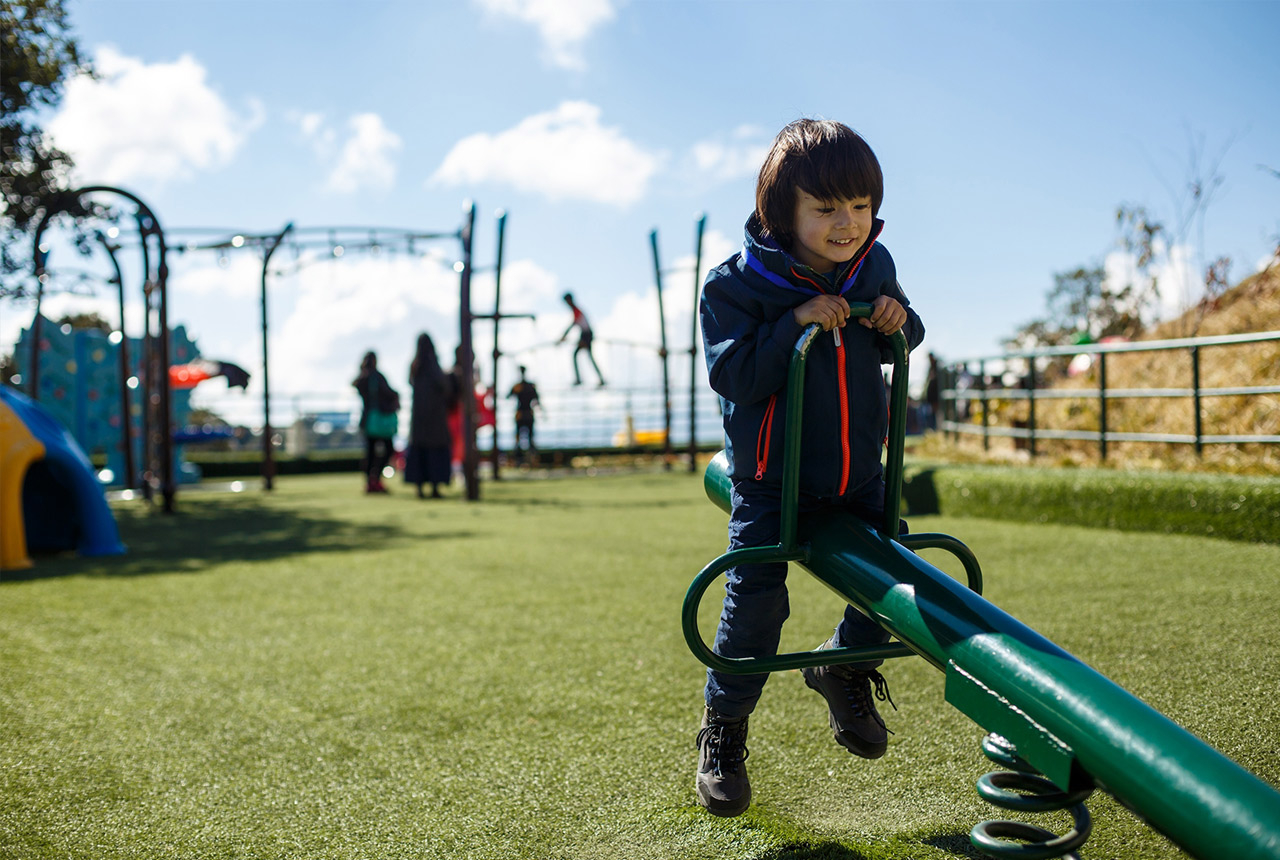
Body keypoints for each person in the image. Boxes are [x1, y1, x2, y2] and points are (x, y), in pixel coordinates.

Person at [695, 119, 925, 817]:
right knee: (757, 601)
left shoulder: (872, 266)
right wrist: (793, 322)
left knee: (896, 572)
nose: (846, 224)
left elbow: (908, 337)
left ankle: (843, 664)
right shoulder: (736, 285)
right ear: (781, 212)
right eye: (826, 209)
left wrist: (895, 319)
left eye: (859, 207)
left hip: (859, 472)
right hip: (771, 479)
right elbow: (732, 373)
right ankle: (724, 730)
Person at [404, 333, 454, 498]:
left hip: (418, 420)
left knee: (420, 453)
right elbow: (444, 386)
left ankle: (419, 488)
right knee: (434, 454)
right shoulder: (433, 365)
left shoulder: (414, 366)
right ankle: (435, 487)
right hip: (435, 420)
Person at [353, 351, 399, 494]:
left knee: (370, 453)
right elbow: (390, 393)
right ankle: (375, 479)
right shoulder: (376, 377)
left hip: (368, 421)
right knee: (387, 450)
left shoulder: (363, 378)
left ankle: (370, 481)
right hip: (379, 421)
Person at [557, 292, 606, 387]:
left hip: (586, 335)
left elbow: (573, 324)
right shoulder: (576, 311)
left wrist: (564, 336)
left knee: (580, 355)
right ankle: (598, 379)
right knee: (587, 357)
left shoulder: (577, 311)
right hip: (584, 334)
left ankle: (581, 379)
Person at [507, 364, 541, 465]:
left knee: (520, 438)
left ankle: (521, 459)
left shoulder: (518, 386)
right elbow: (537, 400)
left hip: (521, 414)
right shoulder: (529, 386)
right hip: (527, 414)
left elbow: (508, 396)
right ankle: (527, 459)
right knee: (528, 438)